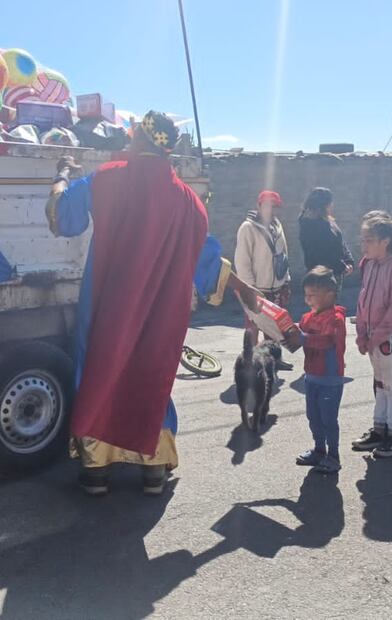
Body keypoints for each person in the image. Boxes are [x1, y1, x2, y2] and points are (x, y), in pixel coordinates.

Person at [44, 111, 259, 496]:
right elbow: (207, 261)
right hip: (161, 314)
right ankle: (153, 470)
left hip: (107, 303)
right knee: (151, 375)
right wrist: (243, 288)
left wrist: (62, 174)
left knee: (100, 371)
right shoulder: (189, 202)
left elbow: (64, 217)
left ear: (137, 138)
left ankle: (97, 470)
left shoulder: (108, 178)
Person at [351, 213, 392, 458]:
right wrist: (361, 333)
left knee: (391, 385)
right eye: (363, 239)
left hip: (390, 336)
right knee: (380, 383)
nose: (363, 245)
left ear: (385, 241)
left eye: (369, 240)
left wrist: (376, 337)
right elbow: (363, 300)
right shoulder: (370, 265)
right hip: (371, 335)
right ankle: (379, 428)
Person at [294, 267, 347, 474]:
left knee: (328, 419)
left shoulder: (336, 319)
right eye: (306, 295)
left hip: (330, 379)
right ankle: (318, 450)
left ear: (330, 294)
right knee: (313, 417)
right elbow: (298, 336)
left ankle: (333, 456)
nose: (308, 299)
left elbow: (326, 341)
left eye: (312, 295)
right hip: (311, 377)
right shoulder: (307, 318)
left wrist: (302, 338)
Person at [235, 190, 294, 370]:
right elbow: (242, 261)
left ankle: (274, 359)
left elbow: (283, 255)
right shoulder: (248, 228)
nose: (272, 210)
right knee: (253, 327)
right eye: (268, 206)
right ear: (259, 205)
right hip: (257, 288)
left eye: (275, 207)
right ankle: (251, 363)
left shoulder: (277, 226)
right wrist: (249, 287)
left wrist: (286, 280)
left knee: (275, 327)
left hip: (276, 285)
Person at [298, 187, 354, 289]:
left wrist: (349, 260)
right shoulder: (309, 226)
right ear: (323, 205)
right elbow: (323, 254)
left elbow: (340, 242)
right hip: (321, 277)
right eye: (330, 203)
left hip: (335, 273)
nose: (332, 206)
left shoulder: (328, 221)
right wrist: (343, 266)